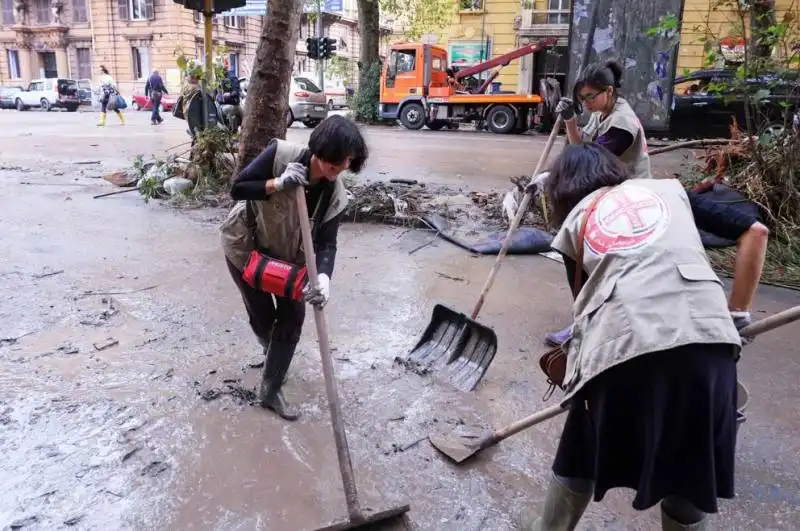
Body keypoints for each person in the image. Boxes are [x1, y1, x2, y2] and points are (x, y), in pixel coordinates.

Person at [514, 143, 768, 531]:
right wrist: (735, 313)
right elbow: (756, 231)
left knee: (582, 445)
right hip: (709, 351)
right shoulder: (669, 190)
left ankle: (548, 528)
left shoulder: (576, 224)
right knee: (689, 469)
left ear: (564, 191)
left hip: (621, 350)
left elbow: (586, 313)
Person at [220, 115, 368, 421]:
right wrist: (278, 183)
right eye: (332, 164)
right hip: (245, 248)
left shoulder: (336, 195)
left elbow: (327, 243)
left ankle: (270, 391)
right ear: (318, 152)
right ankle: (270, 352)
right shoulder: (279, 155)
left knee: (291, 318)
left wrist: (324, 279)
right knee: (262, 316)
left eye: (345, 164)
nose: (337, 171)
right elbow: (238, 188)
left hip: (291, 261)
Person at [216, 60, 242, 133]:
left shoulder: (232, 77)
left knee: (230, 109)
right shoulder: (219, 78)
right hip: (221, 105)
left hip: (231, 104)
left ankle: (233, 132)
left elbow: (236, 91)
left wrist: (229, 95)